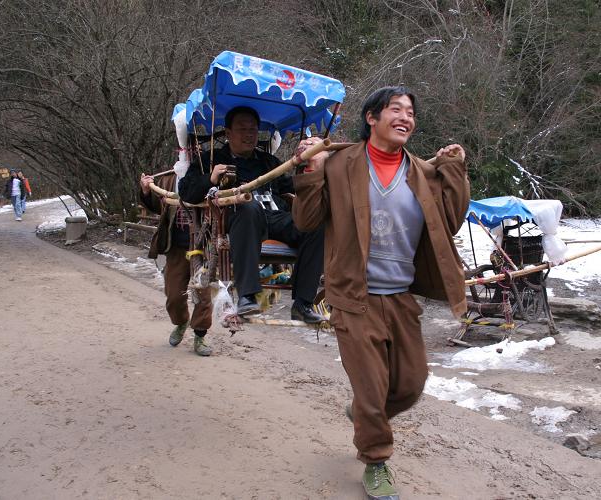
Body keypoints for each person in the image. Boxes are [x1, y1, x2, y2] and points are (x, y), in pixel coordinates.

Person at [292, 87, 469, 500]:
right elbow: (307, 220)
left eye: (410, 111)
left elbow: (452, 219)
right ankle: (376, 459)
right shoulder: (340, 163)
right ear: (372, 117)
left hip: (401, 295)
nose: (405, 117)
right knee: (371, 388)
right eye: (396, 109)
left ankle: (364, 417)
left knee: (410, 384)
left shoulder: (423, 173)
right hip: (353, 295)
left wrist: (454, 168)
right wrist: (310, 168)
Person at [178, 106, 326, 324]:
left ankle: (303, 303)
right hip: (237, 218)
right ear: (228, 133)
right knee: (249, 208)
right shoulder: (212, 158)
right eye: (242, 129)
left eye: (253, 129)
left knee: (316, 223)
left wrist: (311, 166)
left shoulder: (268, 162)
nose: (249, 134)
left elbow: (290, 185)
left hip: (274, 216)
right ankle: (247, 296)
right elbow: (186, 192)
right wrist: (210, 178)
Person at [140, 171, 214, 356]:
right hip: (177, 247)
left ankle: (200, 335)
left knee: (203, 294)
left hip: (202, 247)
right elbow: (158, 207)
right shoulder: (169, 179)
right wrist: (146, 190)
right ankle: (181, 322)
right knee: (173, 295)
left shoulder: (210, 177)